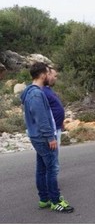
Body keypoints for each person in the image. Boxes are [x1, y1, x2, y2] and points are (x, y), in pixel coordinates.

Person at [20, 62, 74, 213]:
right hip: (43, 137)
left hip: (37, 136)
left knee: (42, 169)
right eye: (47, 73)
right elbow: (42, 119)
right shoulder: (36, 94)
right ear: (43, 75)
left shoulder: (32, 92)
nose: (49, 76)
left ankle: (44, 199)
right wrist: (50, 138)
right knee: (51, 169)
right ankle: (55, 201)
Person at [42, 67, 65, 147]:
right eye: (54, 76)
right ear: (48, 75)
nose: (56, 78)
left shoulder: (48, 89)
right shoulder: (42, 91)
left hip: (57, 127)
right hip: (52, 130)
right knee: (52, 156)